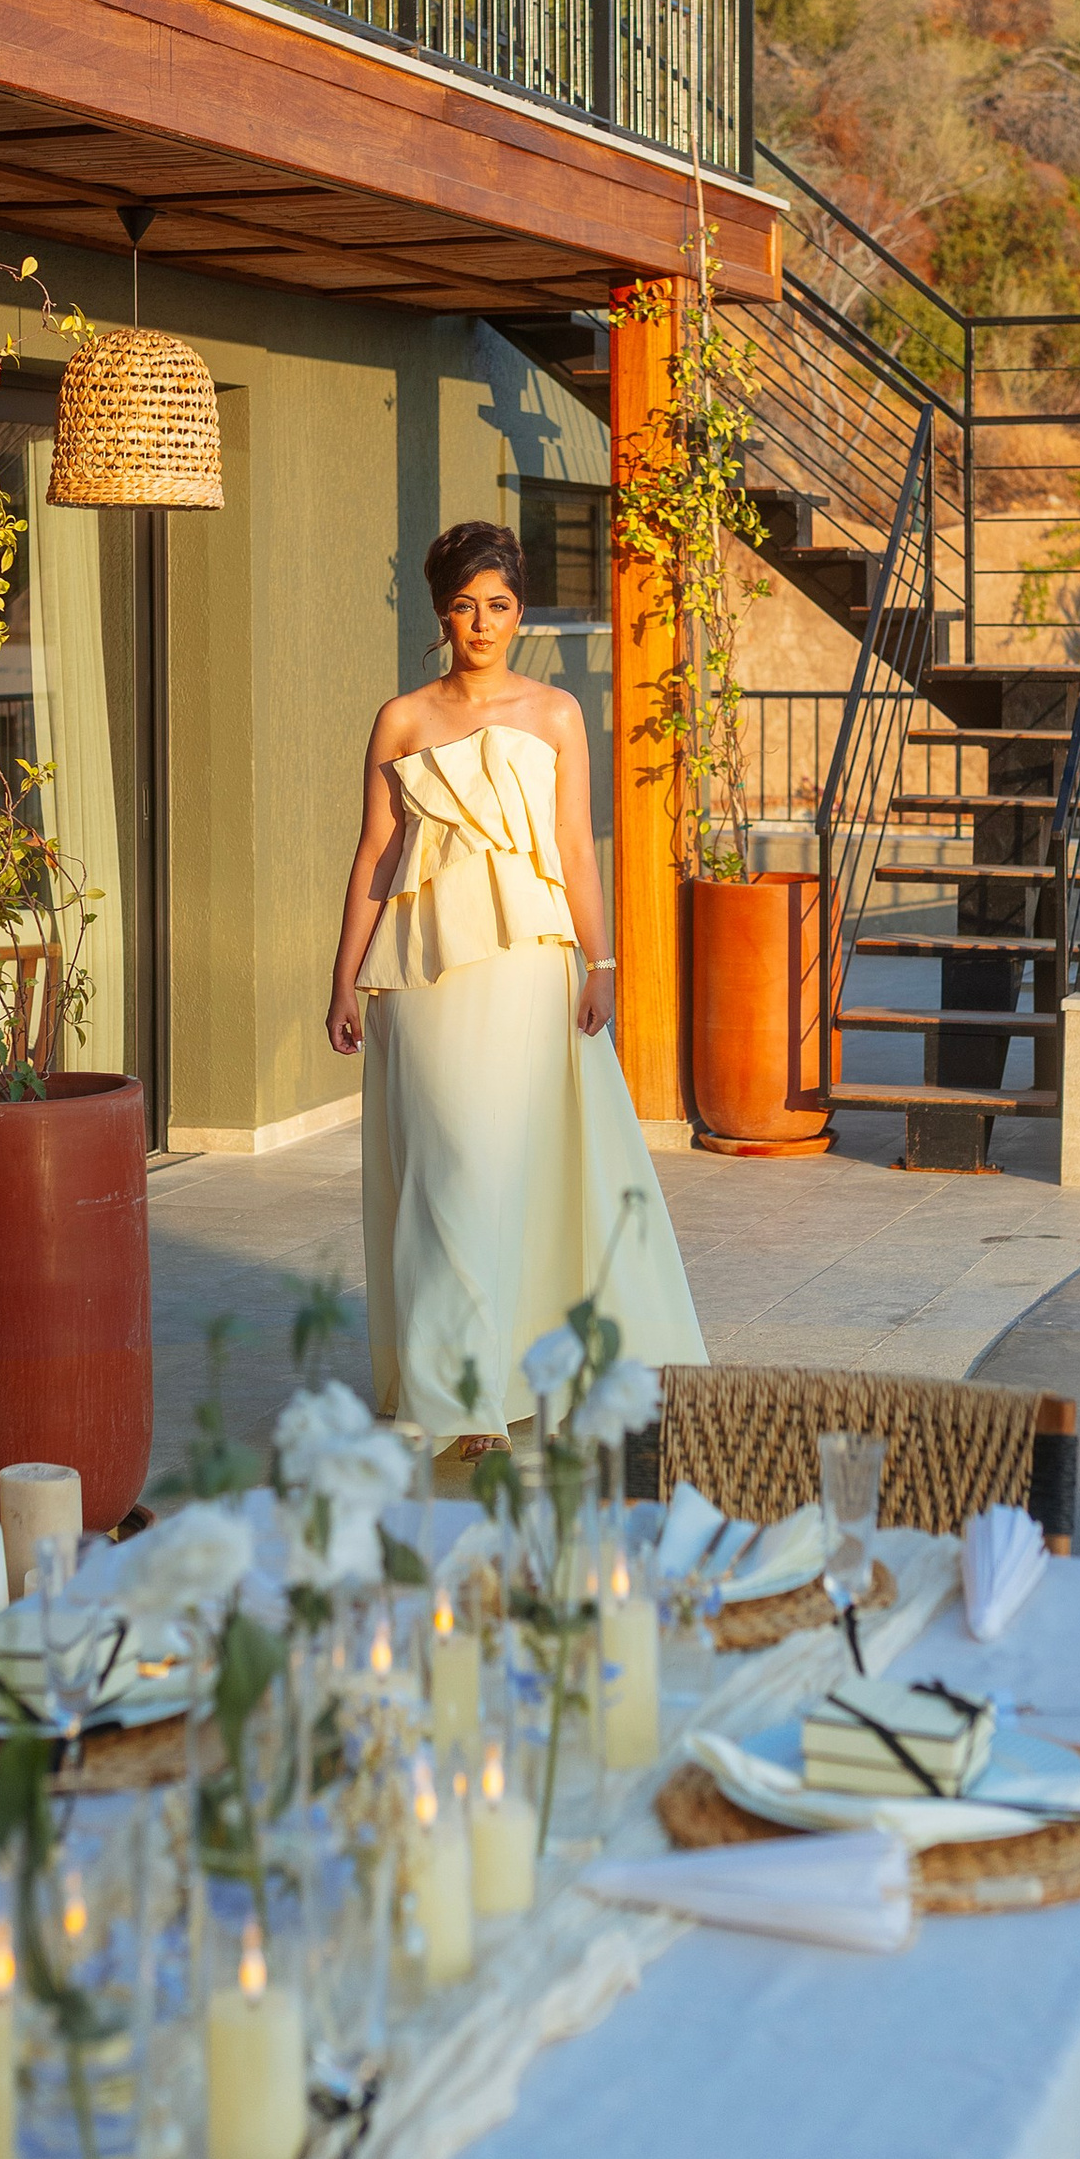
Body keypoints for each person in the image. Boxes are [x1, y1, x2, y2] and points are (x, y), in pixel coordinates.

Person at [326, 517, 706, 1456]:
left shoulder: (557, 713)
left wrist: (603, 960)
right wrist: (343, 981)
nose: (482, 622)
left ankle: (506, 1375)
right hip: (423, 978)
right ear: (442, 614)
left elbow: (577, 844)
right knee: (447, 1173)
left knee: (513, 1175)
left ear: (520, 611)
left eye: (498, 605)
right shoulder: (403, 718)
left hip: (531, 969)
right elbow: (376, 857)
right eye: (465, 605)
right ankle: (455, 1397)